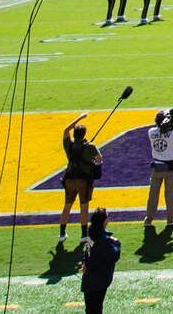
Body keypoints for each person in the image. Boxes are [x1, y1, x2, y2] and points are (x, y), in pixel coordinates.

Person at [59, 112, 102, 247]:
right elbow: (99, 159)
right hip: (83, 180)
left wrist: (79, 118)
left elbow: (66, 130)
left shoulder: (69, 146)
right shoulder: (90, 146)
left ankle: (62, 233)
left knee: (67, 206)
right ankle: (84, 234)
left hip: (69, 179)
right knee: (84, 207)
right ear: (84, 134)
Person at [144, 109, 173, 233]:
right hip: (170, 168)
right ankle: (171, 218)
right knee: (170, 195)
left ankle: (148, 219)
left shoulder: (151, 132)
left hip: (156, 167)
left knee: (153, 195)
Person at [77, 208, 121, 314]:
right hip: (99, 280)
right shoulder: (104, 240)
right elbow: (114, 256)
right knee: (95, 309)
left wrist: (85, 263)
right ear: (104, 221)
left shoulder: (91, 234)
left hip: (89, 279)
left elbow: (87, 253)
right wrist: (116, 243)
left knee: (92, 309)